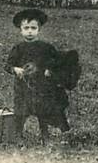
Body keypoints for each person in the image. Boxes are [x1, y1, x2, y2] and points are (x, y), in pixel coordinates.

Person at [5, 8, 70, 143]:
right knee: (21, 111)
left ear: (38, 30)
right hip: (22, 87)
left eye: (33, 28)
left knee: (43, 111)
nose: (30, 31)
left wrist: (49, 70)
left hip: (42, 86)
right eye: (26, 28)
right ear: (21, 30)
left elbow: (56, 61)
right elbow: (8, 65)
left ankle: (44, 134)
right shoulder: (18, 48)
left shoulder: (46, 48)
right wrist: (15, 69)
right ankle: (18, 135)